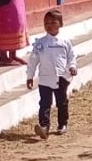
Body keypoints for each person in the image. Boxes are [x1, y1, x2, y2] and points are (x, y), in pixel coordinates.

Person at [26, 9, 77, 138]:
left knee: (62, 102)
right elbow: (33, 60)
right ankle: (44, 126)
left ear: (60, 24)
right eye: (46, 23)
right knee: (44, 103)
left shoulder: (65, 41)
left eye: (53, 22)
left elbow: (71, 56)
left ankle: (62, 124)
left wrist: (72, 67)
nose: (49, 25)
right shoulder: (40, 43)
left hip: (61, 77)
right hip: (45, 79)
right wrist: (30, 76)